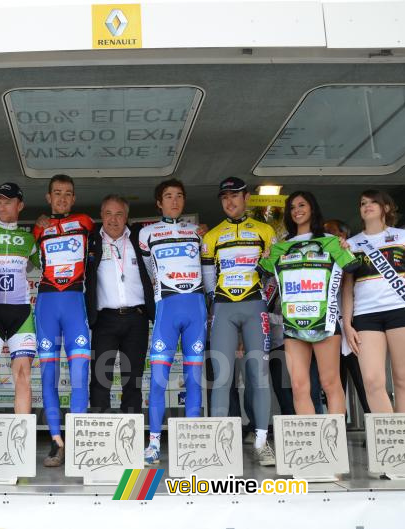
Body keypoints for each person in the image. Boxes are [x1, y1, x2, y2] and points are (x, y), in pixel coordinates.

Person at [259, 191, 359, 416]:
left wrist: (344, 248)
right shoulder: (281, 247)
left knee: (330, 382)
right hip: (293, 324)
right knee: (299, 386)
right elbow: (262, 271)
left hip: (325, 322)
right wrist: (266, 255)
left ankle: (335, 444)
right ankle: (312, 446)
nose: (297, 211)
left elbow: (352, 268)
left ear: (312, 208)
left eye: (302, 205)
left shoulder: (331, 242)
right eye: (292, 207)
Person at [342, 190, 405, 413]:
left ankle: (404, 440)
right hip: (365, 316)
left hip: (402, 311)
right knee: (371, 381)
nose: (366, 206)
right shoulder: (351, 245)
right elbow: (347, 288)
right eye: (362, 203)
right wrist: (347, 324)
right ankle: (388, 437)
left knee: (404, 380)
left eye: (372, 202)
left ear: (386, 208)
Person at [201, 177, 276, 466]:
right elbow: (209, 281)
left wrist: (265, 307)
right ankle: (219, 446)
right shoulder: (212, 237)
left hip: (255, 306)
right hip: (223, 308)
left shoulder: (266, 231)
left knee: (258, 376)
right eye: (224, 197)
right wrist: (213, 309)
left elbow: (273, 277)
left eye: (234, 196)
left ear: (246, 197)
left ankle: (260, 441)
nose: (229, 202)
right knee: (221, 377)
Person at [136, 180, 206, 465]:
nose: (174, 201)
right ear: (158, 202)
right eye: (168, 196)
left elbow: (207, 269)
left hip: (196, 309)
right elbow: (149, 269)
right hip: (166, 308)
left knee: (193, 379)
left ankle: (189, 441)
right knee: (158, 380)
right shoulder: (146, 234)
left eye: (179, 196)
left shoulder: (197, 233)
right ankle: (153, 444)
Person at [33, 174, 94, 467]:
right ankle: (57, 443)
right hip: (46, 302)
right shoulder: (38, 227)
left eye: (68, 193)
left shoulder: (85, 222)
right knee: (48, 377)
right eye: (57, 193)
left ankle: (78, 442)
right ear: (48, 197)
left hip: (74, 302)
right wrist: (41, 221)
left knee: (80, 376)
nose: (62, 198)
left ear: (74, 197)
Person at [85, 194, 154, 418]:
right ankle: (100, 430)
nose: (113, 220)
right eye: (108, 214)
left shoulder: (139, 238)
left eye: (119, 214)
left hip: (137, 318)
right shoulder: (91, 240)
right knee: (100, 378)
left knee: (132, 379)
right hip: (104, 319)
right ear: (101, 216)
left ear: (127, 217)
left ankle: (130, 433)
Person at [0, 183, 38, 415]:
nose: (2, 206)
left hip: (20, 313)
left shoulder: (29, 239)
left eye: (8, 201)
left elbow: (48, 264)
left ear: (20, 205)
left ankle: (23, 442)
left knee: (22, 376)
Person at [324, 219, 371, 416]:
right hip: (329, 327)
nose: (327, 236)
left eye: (332, 233)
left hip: (353, 326)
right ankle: (337, 432)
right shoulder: (321, 256)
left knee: (364, 381)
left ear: (343, 236)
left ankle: (375, 425)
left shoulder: (353, 255)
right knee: (334, 382)